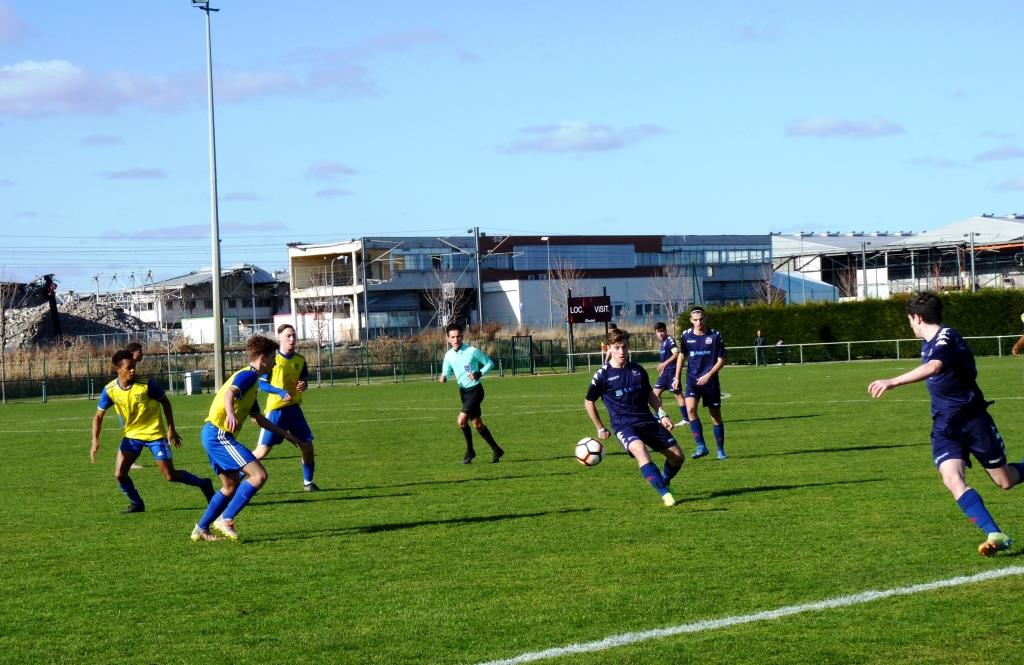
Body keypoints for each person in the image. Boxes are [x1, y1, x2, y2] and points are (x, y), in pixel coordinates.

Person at [869, 292, 1024, 556]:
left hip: (973, 422)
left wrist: (893, 381)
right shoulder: (928, 342)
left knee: (1005, 480)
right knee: (952, 479)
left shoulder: (946, 337)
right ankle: (995, 534)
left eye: (909, 320)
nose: (910, 325)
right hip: (944, 426)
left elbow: (934, 366)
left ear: (917, 318)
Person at [191, 335, 304, 542]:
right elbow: (229, 394)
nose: (274, 363)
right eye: (273, 358)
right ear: (262, 358)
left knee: (230, 486)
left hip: (213, 434)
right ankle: (225, 519)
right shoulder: (249, 375)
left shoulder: (251, 384)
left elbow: (258, 418)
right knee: (258, 475)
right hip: (218, 434)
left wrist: (286, 434)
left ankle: (201, 529)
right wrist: (230, 414)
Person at [90, 349, 214, 513]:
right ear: (117, 369)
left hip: (155, 435)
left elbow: (165, 402)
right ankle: (137, 503)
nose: (133, 370)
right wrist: (95, 441)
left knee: (169, 475)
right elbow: (98, 416)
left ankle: (204, 484)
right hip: (131, 436)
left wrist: (171, 429)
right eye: (128, 368)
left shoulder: (147, 384)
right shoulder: (110, 390)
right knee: (120, 475)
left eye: (134, 367)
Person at [585, 328, 684, 507]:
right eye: (616, 348)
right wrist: (600, 427)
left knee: (677, 457)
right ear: (609, 348)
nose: (621, 351)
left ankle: (663, 481)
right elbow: (589, 401)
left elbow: (650, 395)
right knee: (640, 450)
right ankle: (665, 494)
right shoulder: (602, 375)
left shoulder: (637, 370)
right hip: (624, 425)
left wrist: (662, 414)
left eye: (624, 347)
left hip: (647, 420)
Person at [254, 323, 320, 492]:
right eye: (288, 336)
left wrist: (304, 385)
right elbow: (262, 385)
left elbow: (304, 381)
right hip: (276, 411)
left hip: (294, 410)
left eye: (293, 335)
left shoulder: (300, 360)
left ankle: (308, 483)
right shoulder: (272, 359)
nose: (292, 339)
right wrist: (280, 392)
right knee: (261, 453)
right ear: (279, 338)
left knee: (307, 447)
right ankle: (235, 480)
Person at [439, 322, 504, 464]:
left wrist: (479, 373)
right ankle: (497, 450)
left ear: (462, 336)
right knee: (478, 424)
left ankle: (470, 451)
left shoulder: (472, 351)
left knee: (461, 421)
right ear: (448, 339)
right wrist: (444, 377)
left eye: (458, 336)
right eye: (452, 337)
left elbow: (490, 363)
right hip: (464, 392)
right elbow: (446, 372)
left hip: (476, 390)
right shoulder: (448, 355)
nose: (456, 339)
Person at [673, 307, 728, 460]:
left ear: (705, 318)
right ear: (691, 321)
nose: (699, 322)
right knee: (690, 409)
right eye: (695, 320)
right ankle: (701, 446)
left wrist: (709, 374)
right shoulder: (686, 335)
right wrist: (677, 377)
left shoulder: (715, 336)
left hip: (710, 381)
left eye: (701, 319)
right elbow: (682, 355)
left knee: (715, 417)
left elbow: (722, 360)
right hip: (692, 379)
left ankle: (720, 450)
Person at [652, 321, 688, 426]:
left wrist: (664, 364)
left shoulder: (669, 340)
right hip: (665, 373)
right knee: (655, 394)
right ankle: (659, 416)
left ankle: (686, 419)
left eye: (662, 331)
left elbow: (676, 354)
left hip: (672, 371)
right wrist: (663, 369)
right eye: (658, 332)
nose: (660, 333)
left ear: (665, 331)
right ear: (656, 333)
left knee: (677, 394)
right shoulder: (662, 343)